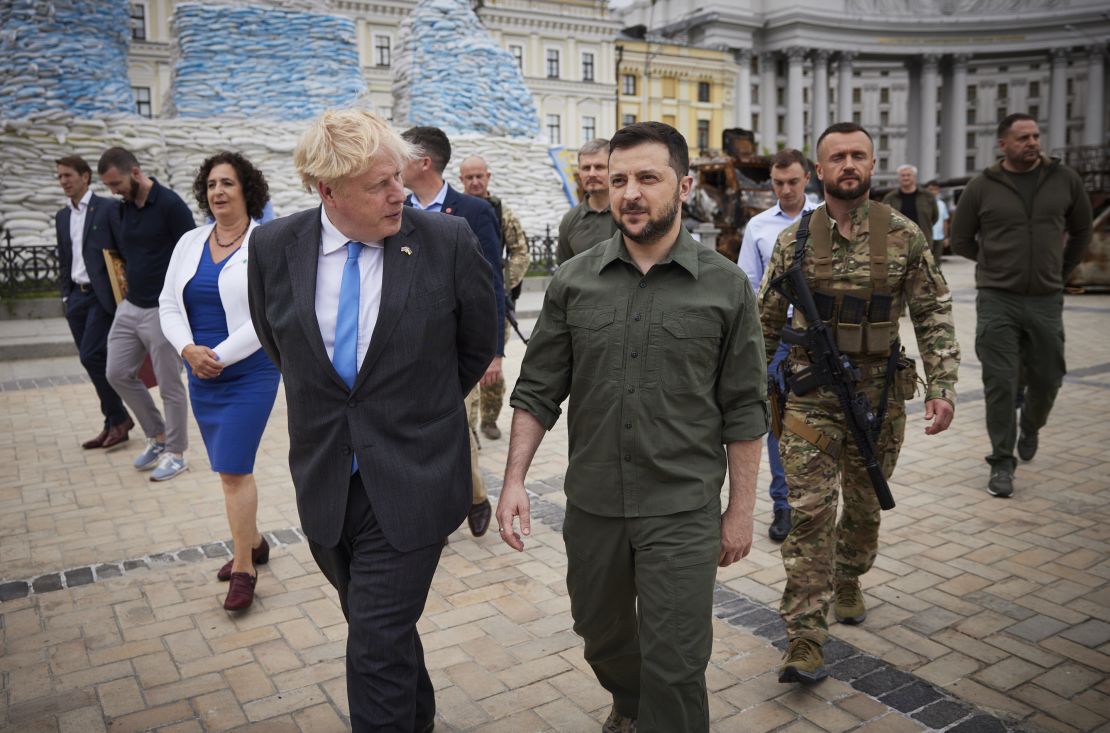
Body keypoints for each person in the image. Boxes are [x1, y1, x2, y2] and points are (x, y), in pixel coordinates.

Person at [497, 122, 767, 733]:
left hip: (682, 507)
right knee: (602, 637)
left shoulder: (726, 288)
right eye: (619, 180)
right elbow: (538, 389)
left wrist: (741, 511)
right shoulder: (574, 281)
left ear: (685, 184)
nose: (630, 193)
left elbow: (747, 409)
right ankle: (631, 701)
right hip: (594, 504)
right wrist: (513, 480)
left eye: (648, 177)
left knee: (676, 664)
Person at [247, 108, 497, 732]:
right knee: (375, 624)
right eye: (380, 185)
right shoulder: (275, 248)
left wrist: (416, 410)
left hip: (415, 475)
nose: (400, 194)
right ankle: (420, 717)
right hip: (328, 481)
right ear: (328, 191)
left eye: (399, 177)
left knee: (374, 640)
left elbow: (476, 343)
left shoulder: (444, 242)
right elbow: (282, 345)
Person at [759, 122, 959, 684]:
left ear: (871, 165)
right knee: (810, 514)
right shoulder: (792, 242)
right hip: (810, 401)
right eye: (837, 157)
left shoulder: (902, 234)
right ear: (818, 171)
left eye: (859, 156)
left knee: (865, 507)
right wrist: (748, 393)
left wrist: (942, 388)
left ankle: (849, 574)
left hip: (878, 399)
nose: (849, 164)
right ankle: (804, 636)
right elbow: (765, 325)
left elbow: (933, 313)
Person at [158, 152, 281, 611]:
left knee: (233, 470)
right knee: (225, 468)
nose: (218, 192)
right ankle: (254, 540)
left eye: (227, 183)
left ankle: (244, 567)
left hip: (249, 371)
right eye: (211, 185)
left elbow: (269, 312)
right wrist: (188, 351)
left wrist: (221, 356)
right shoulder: (190, 241)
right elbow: (167, 303)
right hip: (199, 371)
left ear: (246, 190)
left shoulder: (266, 241)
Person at [951, 113, 1092, 498]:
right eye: (1023, 138)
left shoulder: (1065, 180)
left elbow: (1082, 230)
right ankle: (1000, 462)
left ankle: (1030, 424)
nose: (1032, 142)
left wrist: (1060, 271)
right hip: (998, 299)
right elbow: (960, 239)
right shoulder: (981, 187)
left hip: (1046, 298)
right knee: (999, 381)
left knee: (1049, 377)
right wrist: (994, 263)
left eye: (1035, 136)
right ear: (1003, 145)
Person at [401, 126, 506, 539]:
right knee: (414, 434)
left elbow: (491, 285)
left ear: (424, 162)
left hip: (455, 345)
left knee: (456, 428)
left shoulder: (473, 212)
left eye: (402, 155)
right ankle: (437, 511)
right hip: (406, 345)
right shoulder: (397, 206)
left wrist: (494, 353)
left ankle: (475, 495)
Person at [98, 147, 195, 481]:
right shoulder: (124, 208)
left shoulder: (170, 206)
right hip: (131, 306)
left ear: (135, 172)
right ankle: (158, 436)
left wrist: (182, 308)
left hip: (162, 309)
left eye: (116, 183)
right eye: (109, 186)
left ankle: (177, 452)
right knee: (116, 372)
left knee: (170, 385)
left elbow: (191, 254)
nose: (114, 191)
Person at [737, 148, 816, 543]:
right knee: (777, 424)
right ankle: (783, 505)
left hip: (820, 338)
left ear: (807, 179)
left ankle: (814, 503)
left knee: (820, 421)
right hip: (775, 337)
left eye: (793, 182)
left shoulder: (824, 219)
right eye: (778, 183)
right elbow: (747, 284)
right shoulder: (759, 227)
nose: (785, 190)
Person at [54, 155, 134, 449]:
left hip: (102, 299)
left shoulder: (107, 208)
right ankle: (113, 421)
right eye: (59, 177)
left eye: (68, 175)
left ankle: (119, 418)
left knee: (91, 355)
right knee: (91, 360)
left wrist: (126, 294)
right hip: (76, 297)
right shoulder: (62, 216)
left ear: (85, 177)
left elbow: (123, 251)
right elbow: (64, 258)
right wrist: (65, 294)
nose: (63, 181)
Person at [458, 154, 530, 441]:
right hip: (462, 302)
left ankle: (489, 419)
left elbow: (520, 253)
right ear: (461, 180)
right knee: (465, 369)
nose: (475, 182)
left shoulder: (503, 213)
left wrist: (499, 286)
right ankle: (469, 427)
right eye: (469, 177)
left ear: (488, 177)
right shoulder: (455, 210)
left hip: (496, 304)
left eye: (480, 176)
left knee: (492, 368)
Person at [555, 137, 619, 264]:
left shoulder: (630, 213)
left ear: (614, 169)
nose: (591, 174)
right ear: (579, 172)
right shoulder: (570, 220)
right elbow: (564, 270)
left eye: (599, 167)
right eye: (586, 168)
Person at [881, 164, 940, 268]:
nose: (906, 178)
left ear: (914, 177)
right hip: (897, 245)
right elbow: (882, 218)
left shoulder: (928, 196)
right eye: (903, 175)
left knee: (922, 276)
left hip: (922, 243)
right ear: (899, 178)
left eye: (908, 175)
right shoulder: (890, 198)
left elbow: (934, 217)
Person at [926, 179, 949, 256]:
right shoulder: (923, 204)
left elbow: (945, 221)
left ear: (938, 191)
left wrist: (945, 237)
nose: (933, 192)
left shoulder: (942, 204)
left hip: (939, 237)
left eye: (935, 189)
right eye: (930, 189)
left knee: (937, 262)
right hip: (926, 237)